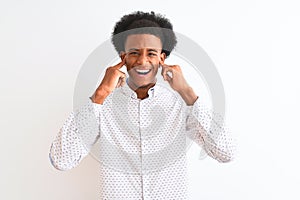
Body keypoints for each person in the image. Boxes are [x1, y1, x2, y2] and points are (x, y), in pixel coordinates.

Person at [49, 11, 236, 199]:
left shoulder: (180, 105)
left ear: (161, 59)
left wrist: (187, 92)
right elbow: (61, 159)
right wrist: (101, 93)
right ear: (123, 57)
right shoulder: (103, 106)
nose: (142, 61)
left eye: (151, 53)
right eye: (134, 53)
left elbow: (226, 153)